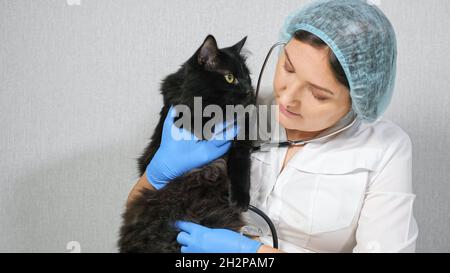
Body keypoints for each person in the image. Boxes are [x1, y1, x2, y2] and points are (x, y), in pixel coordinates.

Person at [126, 0, 418, 253]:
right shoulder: (234, 108)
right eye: (288, 67)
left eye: (317, 94)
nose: (287, 97)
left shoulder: (385, 148)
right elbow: (136, 214)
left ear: (359, 97)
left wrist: (254, 252)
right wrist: (156, 175)